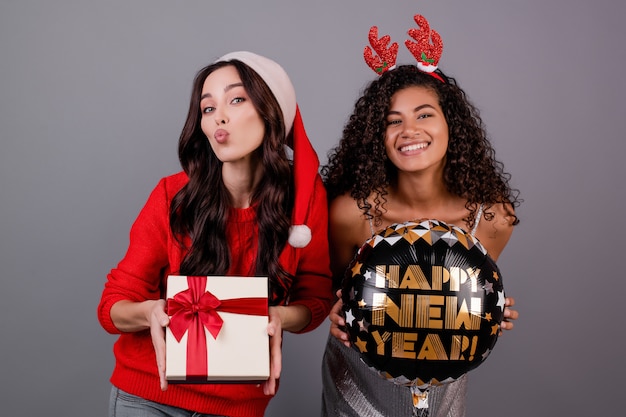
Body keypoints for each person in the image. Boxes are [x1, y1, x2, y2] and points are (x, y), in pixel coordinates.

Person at [97, 51, 333, 417]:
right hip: (149, 396)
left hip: (239, 405)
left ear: (271, 112)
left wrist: (277, 317)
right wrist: (151, 312)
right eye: (208, 108)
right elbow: (112, 306)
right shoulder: (172, 195)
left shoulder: (305, 199)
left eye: (236, 100)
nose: (219, 116)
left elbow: (315, 299)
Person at [320, 15, 521, 417]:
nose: (409, 130)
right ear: (376, 134)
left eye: (424, 114)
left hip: (443, 383)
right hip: (357, 378)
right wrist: (333, 312)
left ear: (452, 123)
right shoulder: (351, 212)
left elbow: (463, 298)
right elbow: (333, 293)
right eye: (393, 121)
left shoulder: (491, 216)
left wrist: (491, 311)